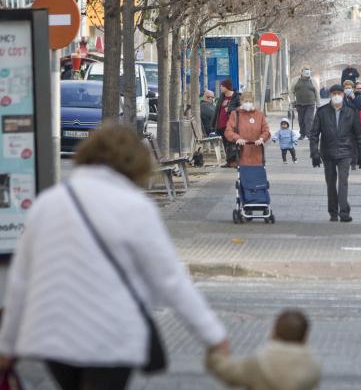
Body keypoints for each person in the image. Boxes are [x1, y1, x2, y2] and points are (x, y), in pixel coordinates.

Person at [0, 124, 229, 390]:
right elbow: (170, 281)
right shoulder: (135, 207)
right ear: (135, 165)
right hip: (111, 335)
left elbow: (21, 281)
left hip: (55, 337)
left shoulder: (47, 204)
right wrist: (213, 335)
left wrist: (7, 344)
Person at [206, 310, 321, 390]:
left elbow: (229, 373)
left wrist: (216, 352)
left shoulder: (258, 363)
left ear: (274, 333)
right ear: (305, 337)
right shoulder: (313, 368)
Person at [309, 84, 361, 222]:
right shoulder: (322, 112)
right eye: (333, 93)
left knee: (343, 182)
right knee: (330, 183)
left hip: (345, 152)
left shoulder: (351, 111)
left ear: (343, 95)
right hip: (327, 152)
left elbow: (359, 134)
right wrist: (314, 153)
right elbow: (314, 134)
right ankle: (333, 212)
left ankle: (344, 212)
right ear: (330, 95)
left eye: (339, 93)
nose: (336, 96)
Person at [224, 92, 271, 166]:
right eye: (246, 101)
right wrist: (237, 138)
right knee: (244, 175)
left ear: (253, 102)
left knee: (258, 175)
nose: (248, 103)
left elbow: (266, 130)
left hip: (257, 154)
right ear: (241, 101)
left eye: (250, 101)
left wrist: (262, 138)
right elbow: (228, 131)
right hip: (241, 153)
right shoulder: (235, 114)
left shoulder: (259, 115)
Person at [213, 78, 241, 167]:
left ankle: (236, 161)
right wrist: (214, 123)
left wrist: (230, 109)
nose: (221, 88)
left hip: (231, 125)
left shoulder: (237, 97)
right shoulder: (222, 96)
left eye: (222, 86)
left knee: (232, 143)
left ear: (227, 87)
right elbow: (217, 110)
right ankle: (229, 162)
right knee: (225, 143)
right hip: (221, 124)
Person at [293, 67, 319, 140]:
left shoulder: (313, 81)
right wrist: (292, 101)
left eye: (308, 72)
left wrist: (318, 104)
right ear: (301, 72)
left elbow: (317, 93)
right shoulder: (296, 80)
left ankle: (309, 134)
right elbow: (291, 91)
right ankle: (302, 134)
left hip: (310, 104)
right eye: (305, 72)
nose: (307, 74)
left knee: (308, 119)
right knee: (301, 120)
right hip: (299, 104)